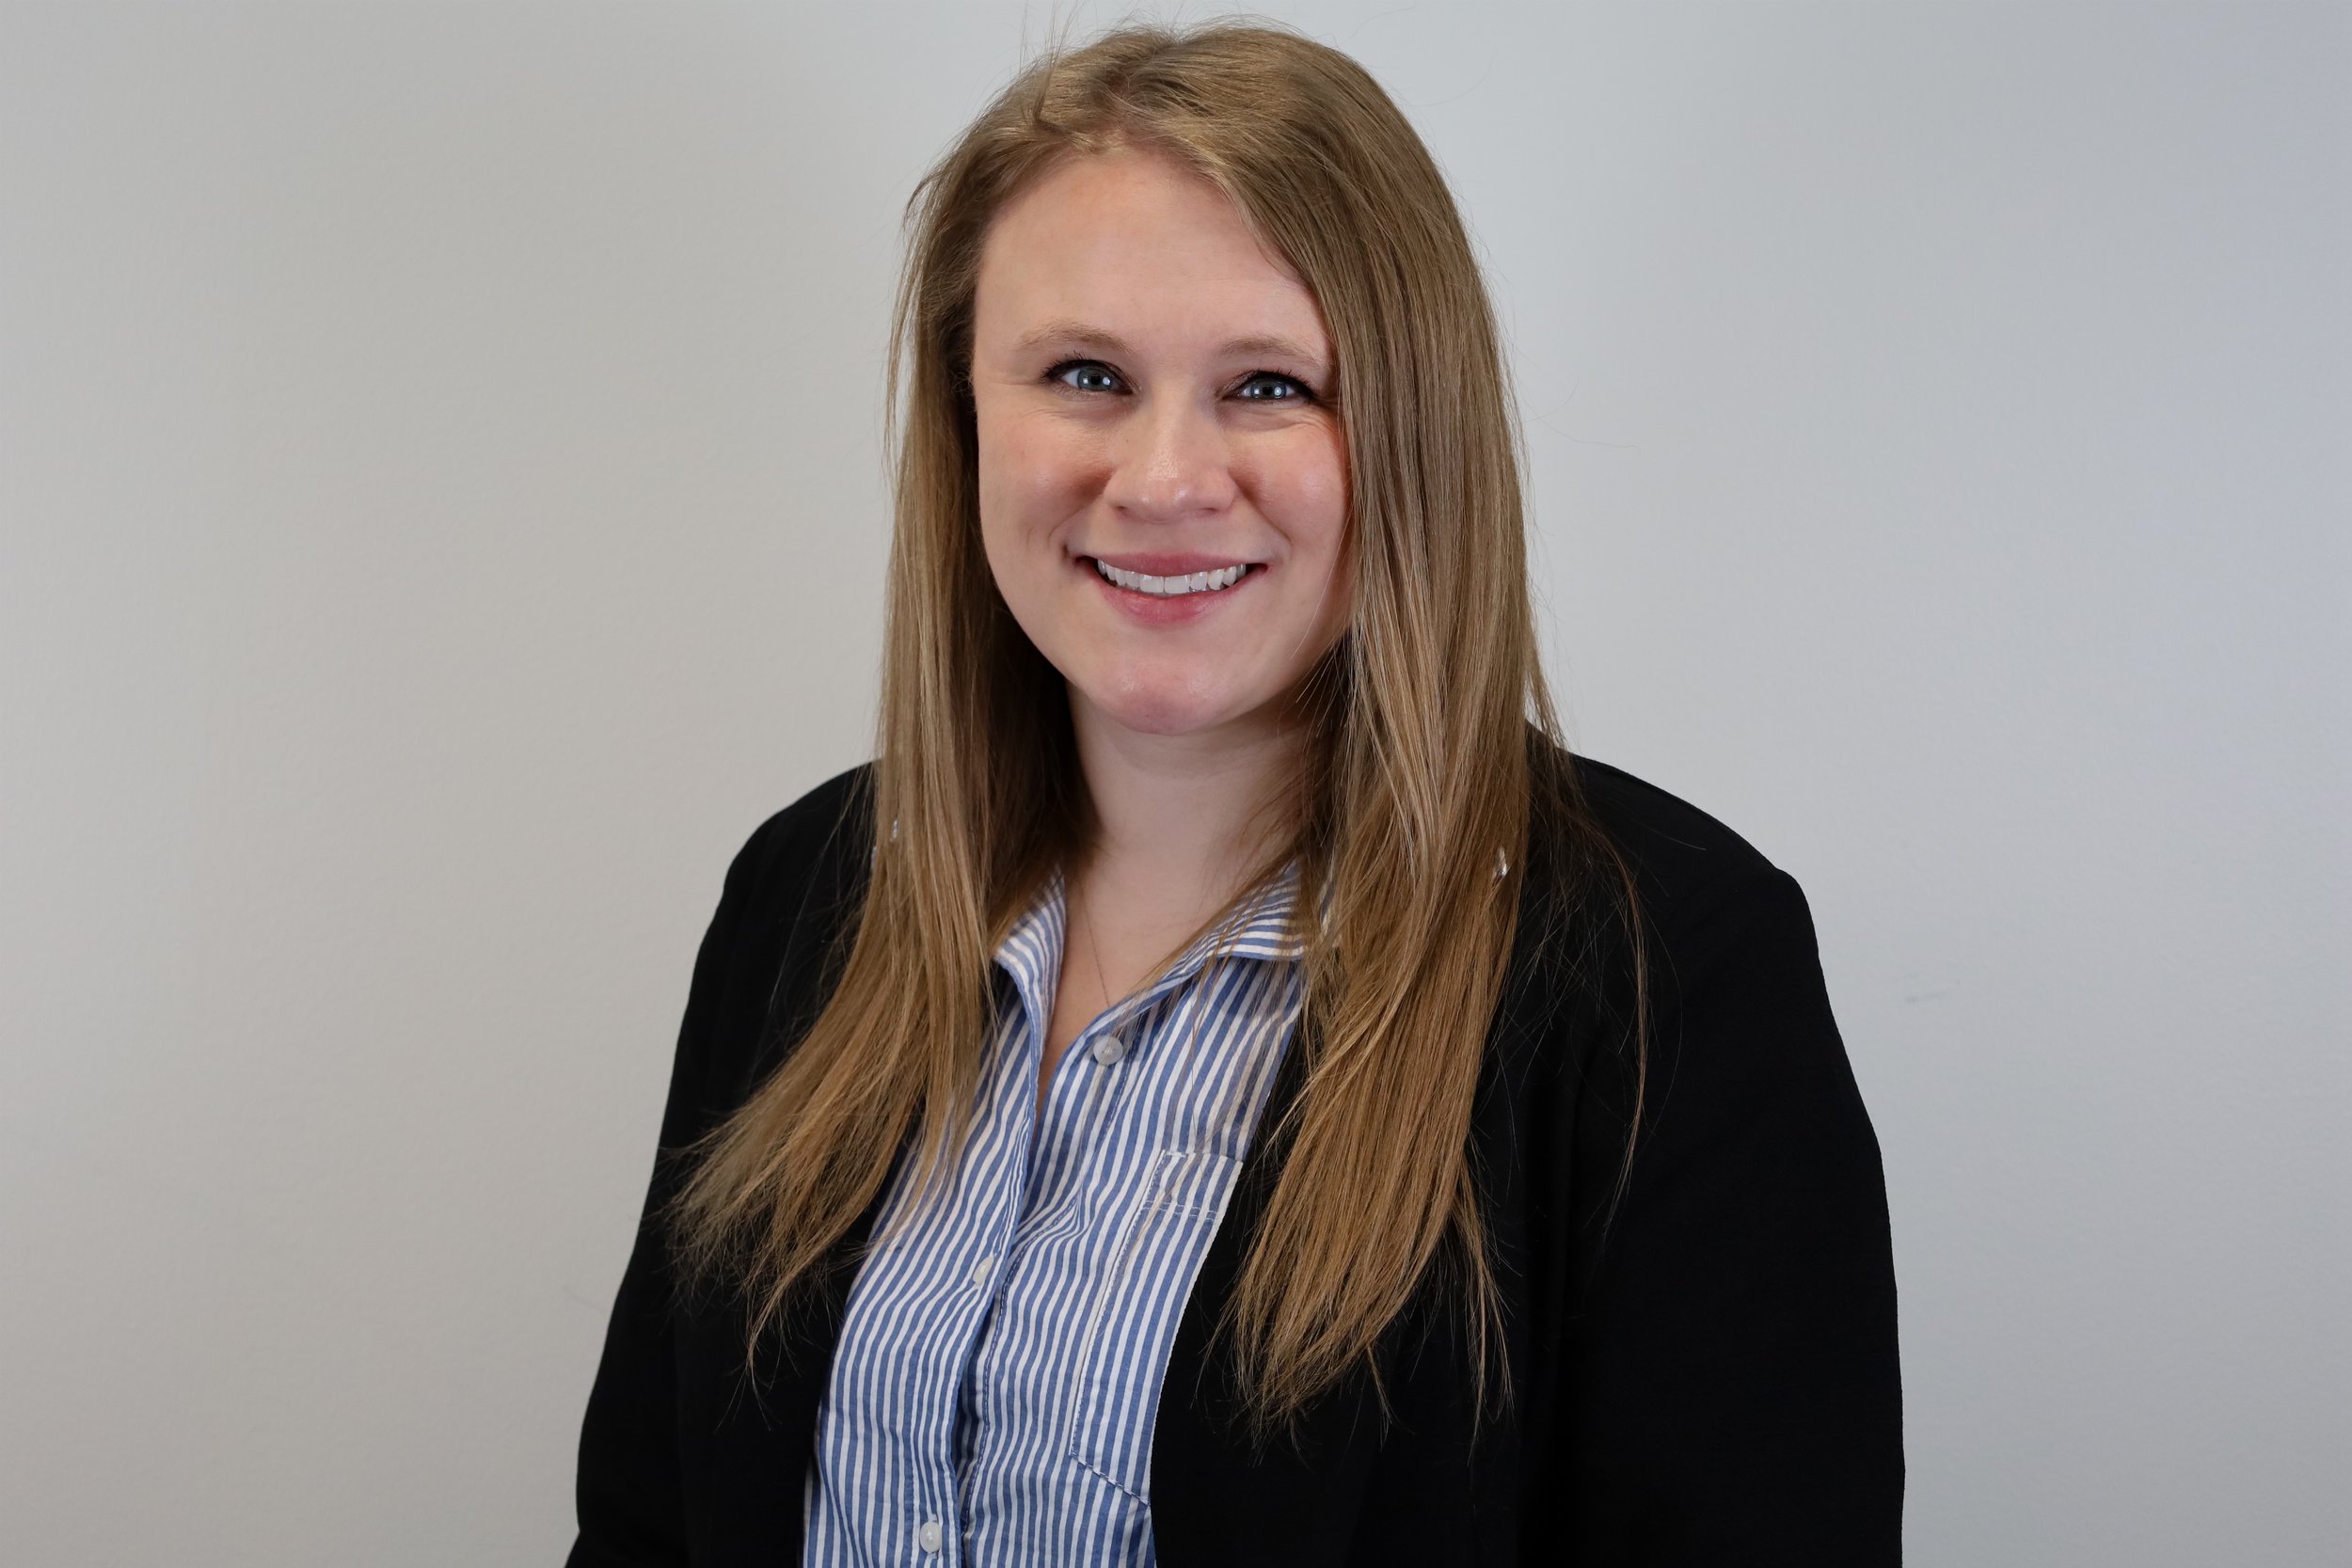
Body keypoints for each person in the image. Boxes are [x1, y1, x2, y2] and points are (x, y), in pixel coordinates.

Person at [565, 20, 1901, 1568]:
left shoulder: (1669, 975)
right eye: (1084, 374)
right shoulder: (809, 892)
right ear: (965, 419)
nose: (1163, 478)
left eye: (1269, 385)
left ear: (1412, 431)